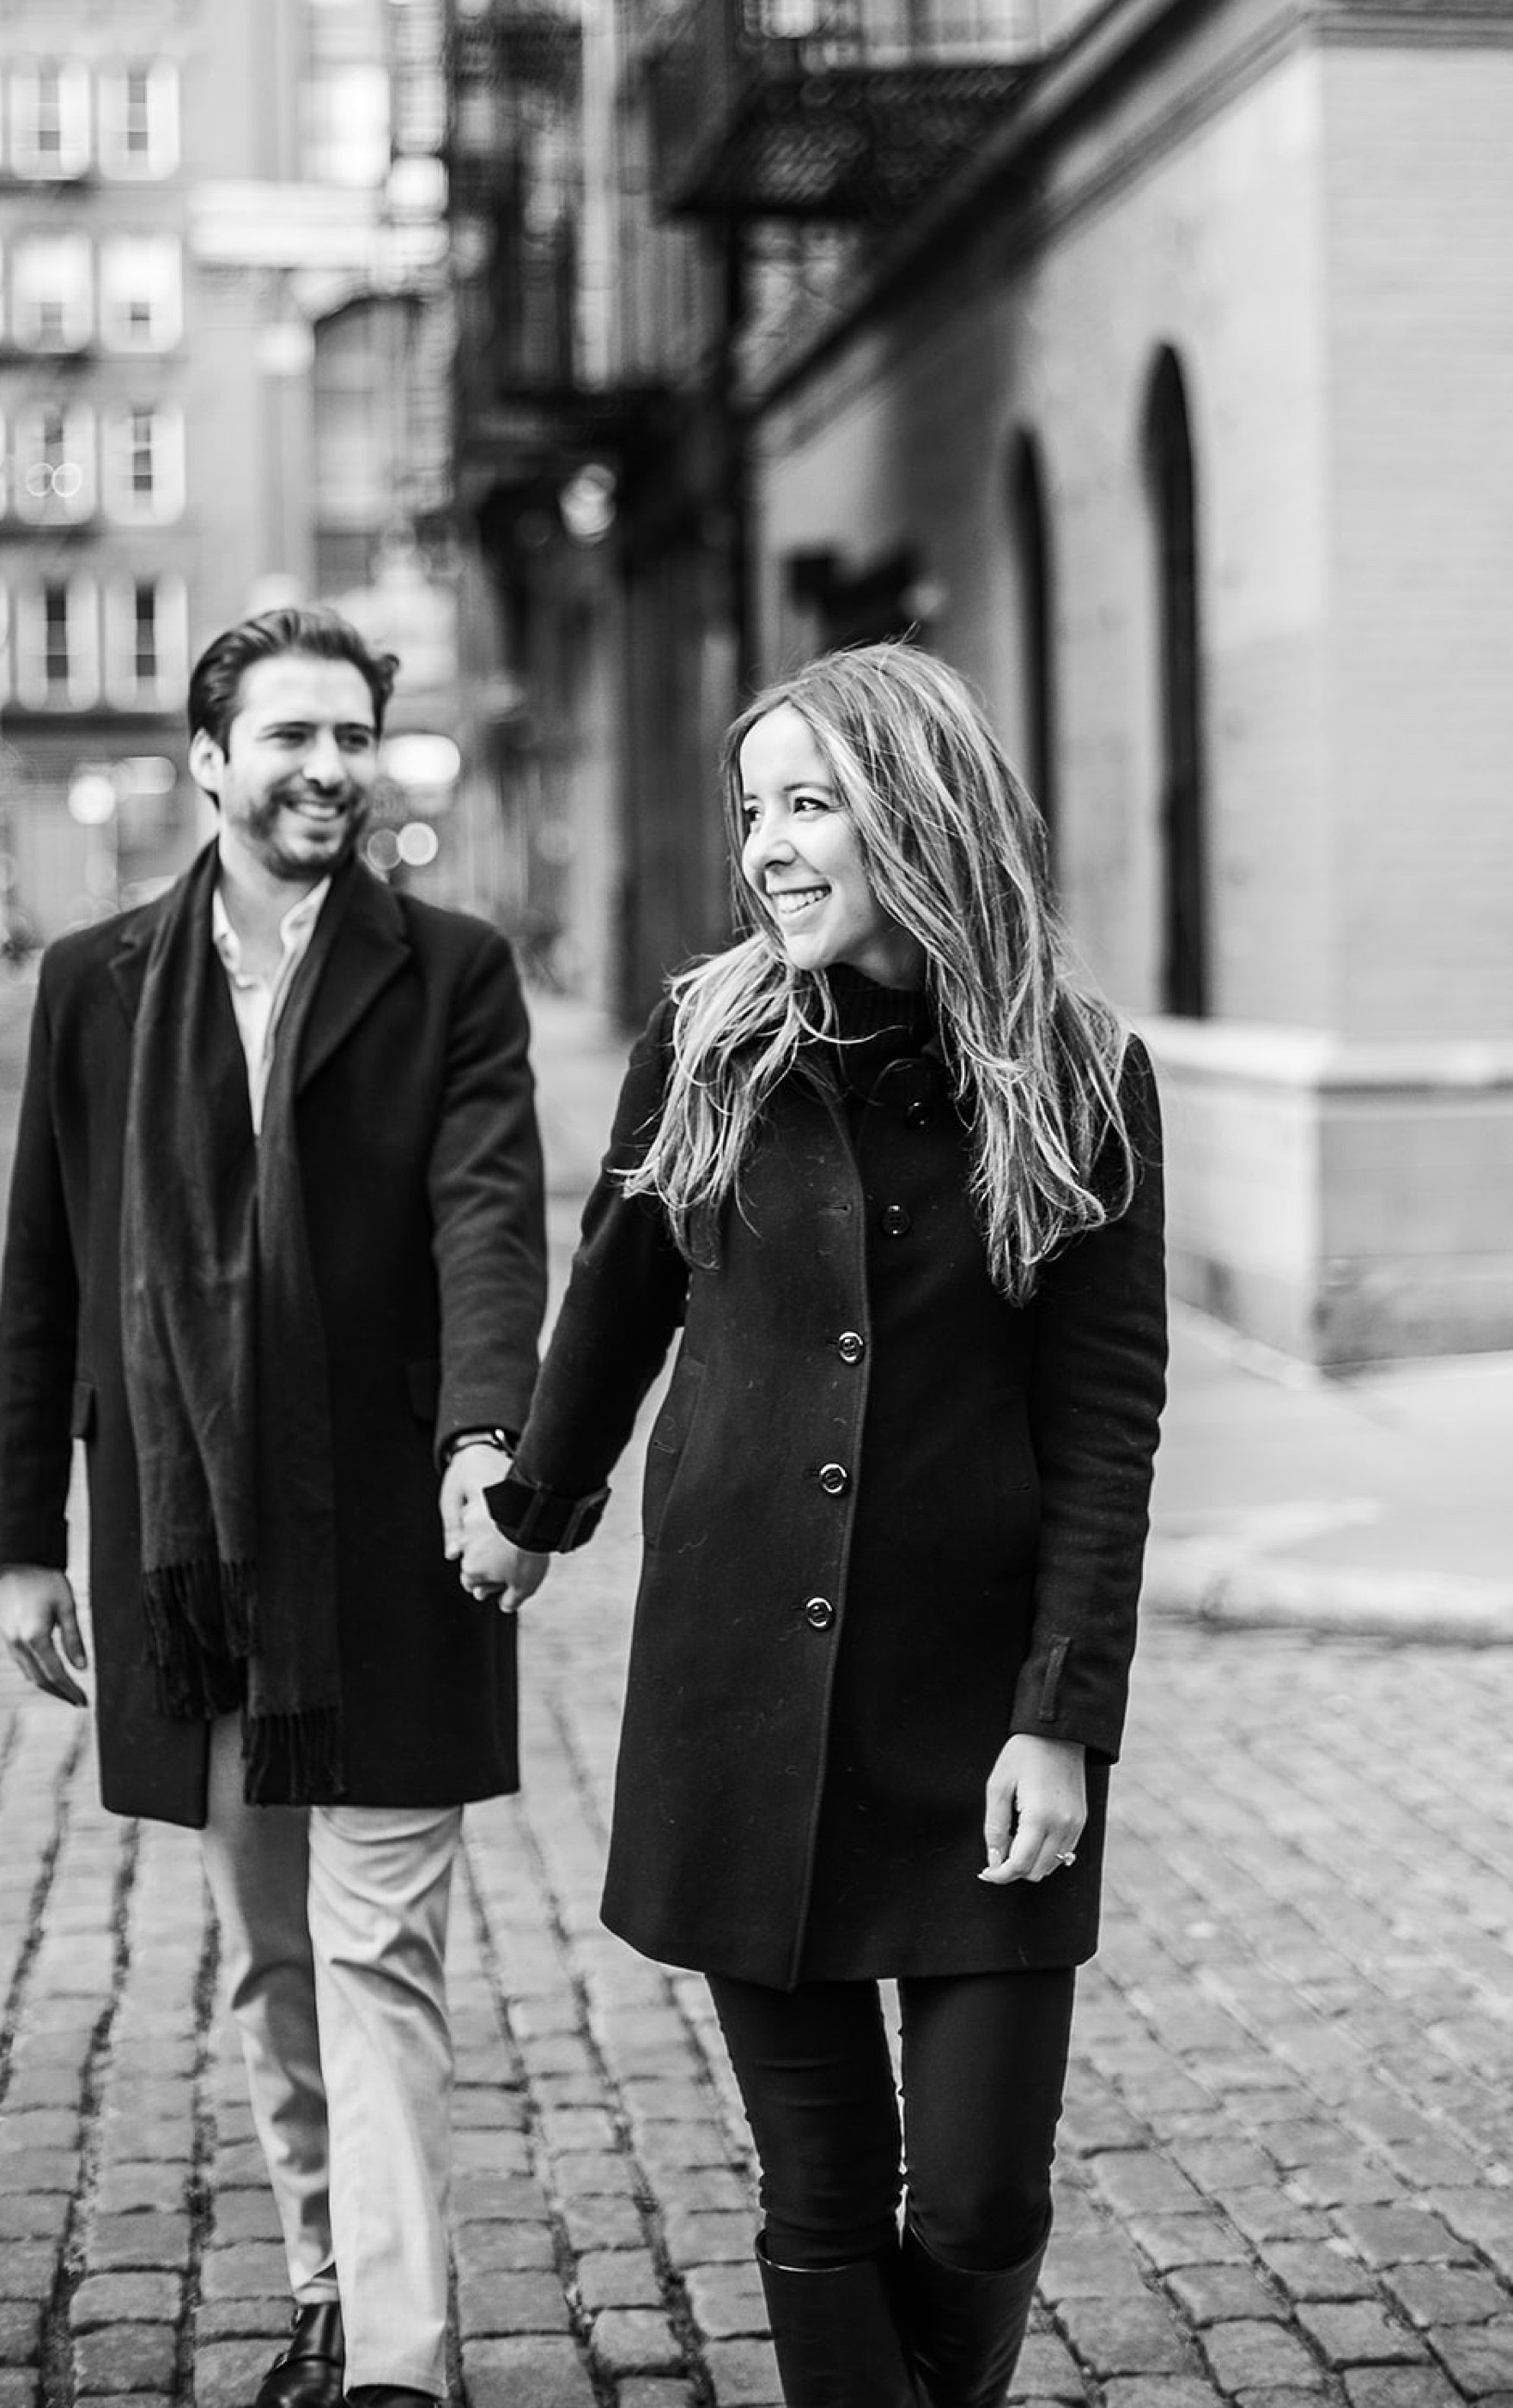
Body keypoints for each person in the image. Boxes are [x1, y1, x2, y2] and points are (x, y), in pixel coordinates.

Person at [477, 644, 1167, 2408]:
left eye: (810, 803)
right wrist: (530, 1507)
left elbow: (1103, 1422)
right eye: (754, 810)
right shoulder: (704, 1043)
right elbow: (617, 1303)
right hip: (741, 1710)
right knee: (823, 2192)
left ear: (914, 813)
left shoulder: (1079, 1073)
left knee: (984, 2192)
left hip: (971, 1716)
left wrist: (1060, 1716)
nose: (770, 848)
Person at [0, 605, 550, 2408]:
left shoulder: (447, 968)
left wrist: (484, 1439)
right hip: (187, 1554)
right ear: (212, 758)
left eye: (350, 734)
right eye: (290, 734)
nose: (325, 767)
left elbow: (487, 1218)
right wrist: (16, 1537)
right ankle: (323, 2266)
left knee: (377, 1947)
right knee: (268, 1953)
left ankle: (391, 2358)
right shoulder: (97, 983)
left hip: (386, 1537)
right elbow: (48, 1265)